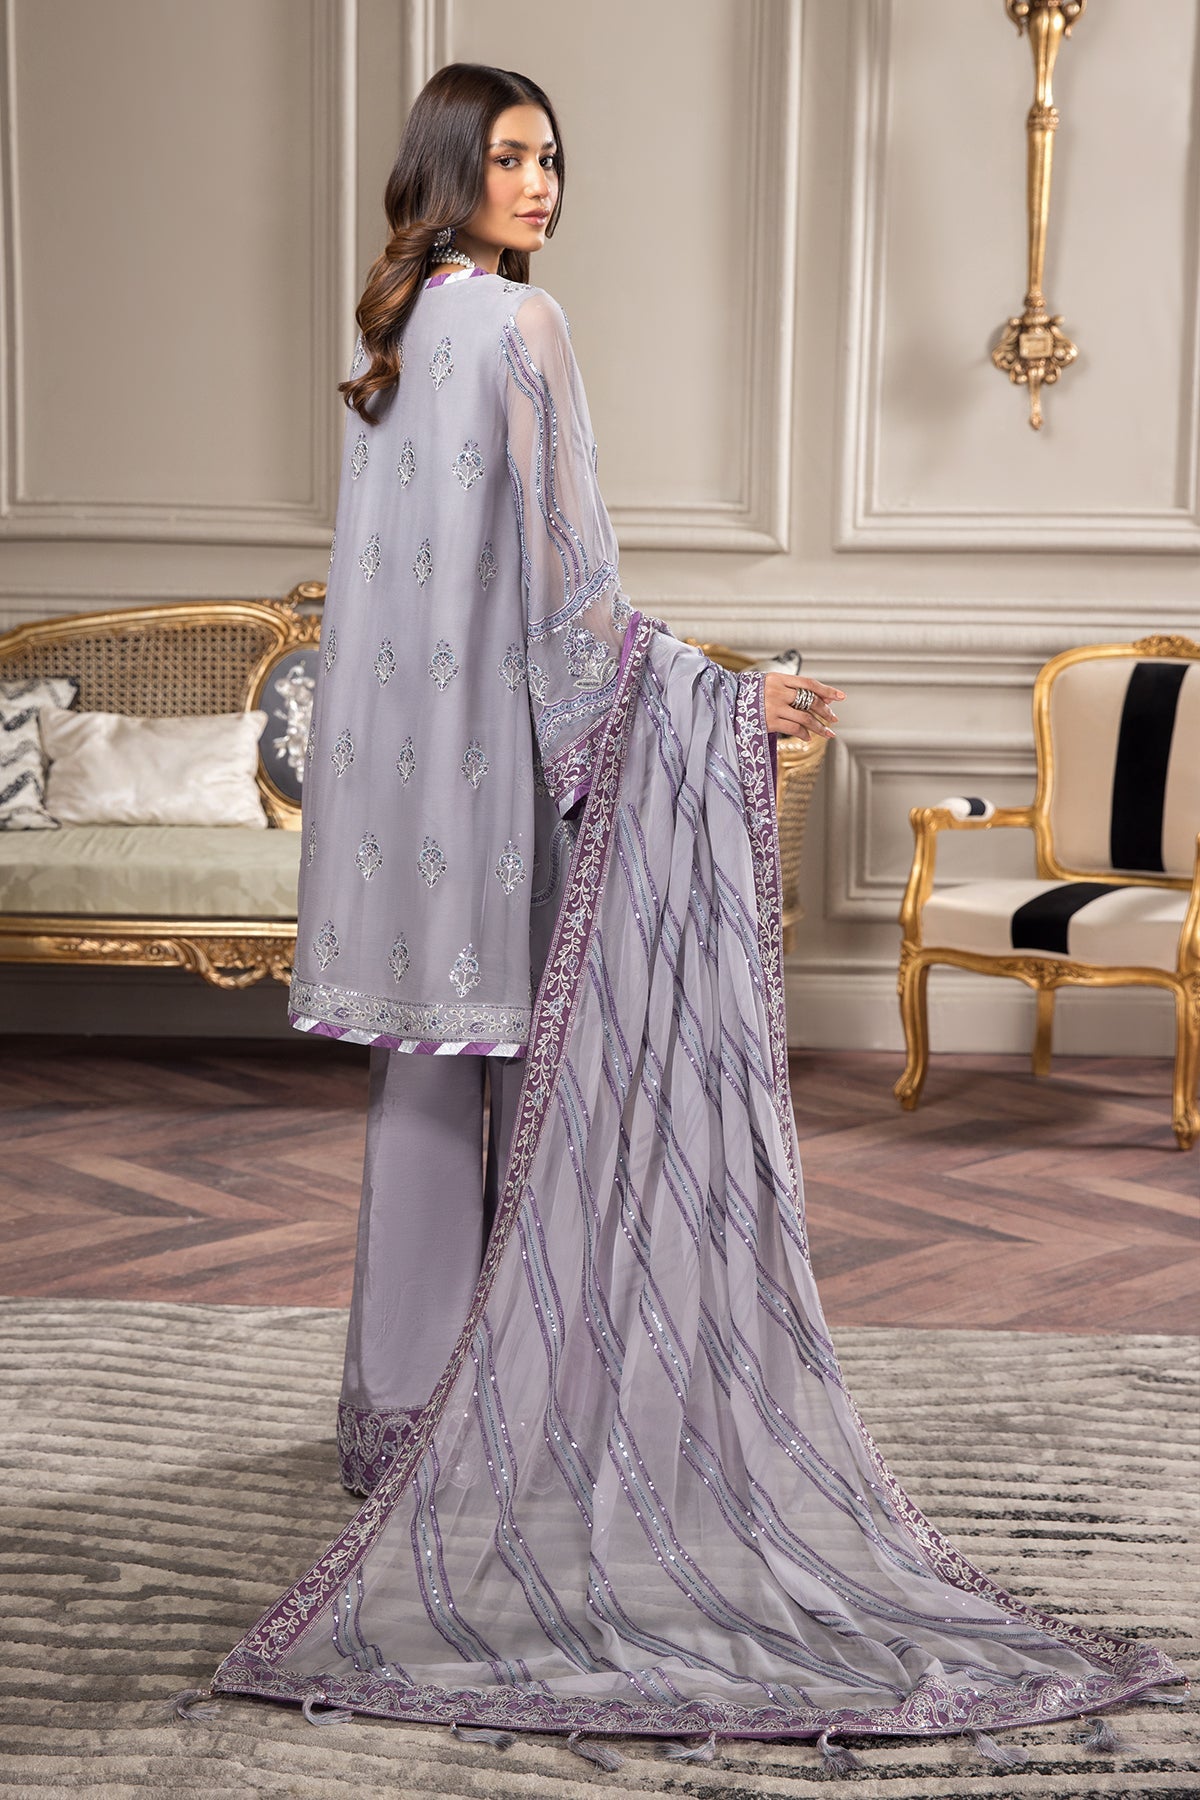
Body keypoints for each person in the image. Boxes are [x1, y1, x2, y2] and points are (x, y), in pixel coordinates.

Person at [208, 63, 1182, 1760]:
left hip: (399, 802)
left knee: (425, 1086)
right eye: (510, 157)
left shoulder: (386, 353)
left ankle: (404, 1424)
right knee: (545, 1085)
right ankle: (516, 1432)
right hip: (501, 780)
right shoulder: (522, 328)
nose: (540, 183)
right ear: (448, 168)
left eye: (552, 157)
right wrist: (726, 699)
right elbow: (567, 591)